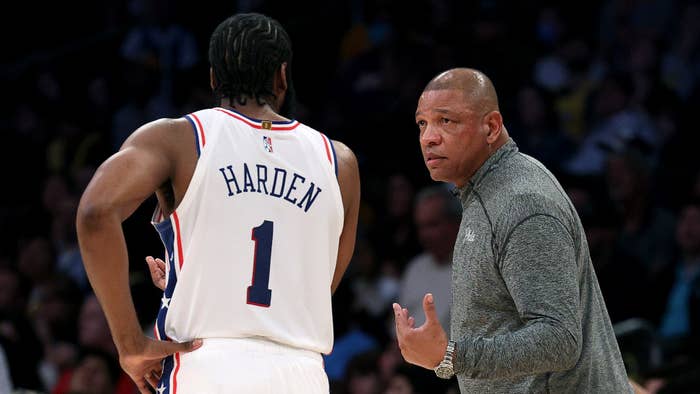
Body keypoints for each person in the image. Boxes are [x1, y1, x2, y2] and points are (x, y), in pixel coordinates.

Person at [76, 12, 360, 394]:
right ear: (282, 75)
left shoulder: (178, 138)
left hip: (205, 365)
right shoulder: (339, 162)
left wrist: (130, 342)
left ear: (213, 78)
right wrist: (201, 277)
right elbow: (312, 285)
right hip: (302, 372)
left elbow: (95, 214)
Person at [391, 67, 634, 392]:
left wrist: (450, 356)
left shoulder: (523, 203)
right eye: (423, 123)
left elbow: (558, 339)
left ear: (491, 127)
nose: (428, 137)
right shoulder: (487, 193)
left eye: (446, 121)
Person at [398, 185, 461, 331]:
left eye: (432, 225)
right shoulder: (415, 268)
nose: (424, 234)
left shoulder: (476, 269)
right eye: (421, 227)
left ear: (455, 224)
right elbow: (398, 331)